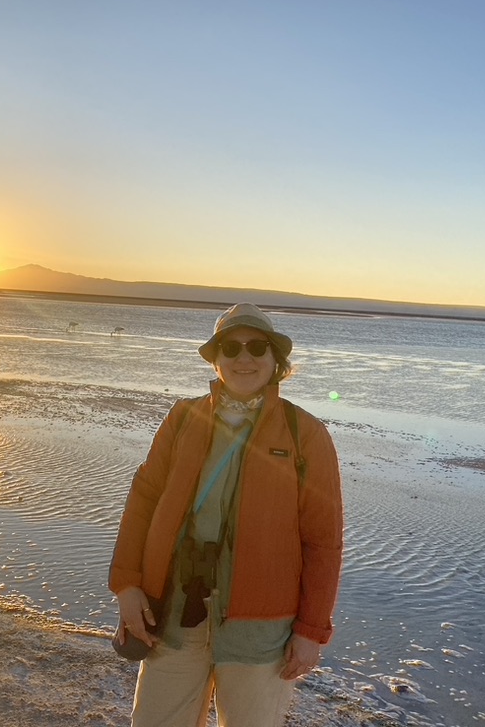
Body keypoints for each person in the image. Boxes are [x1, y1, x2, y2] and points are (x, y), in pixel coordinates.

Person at [109, 303, 344, 727]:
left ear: (276, 361)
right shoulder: (184, 417)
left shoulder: (304, 432)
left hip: (262, 629)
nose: (244, 358)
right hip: (177, 613)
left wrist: (311, 630)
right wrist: (126, 585)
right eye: (230, 348)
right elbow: (143, 499)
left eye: (257, 347)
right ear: (216, 359)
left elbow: (323, 540)